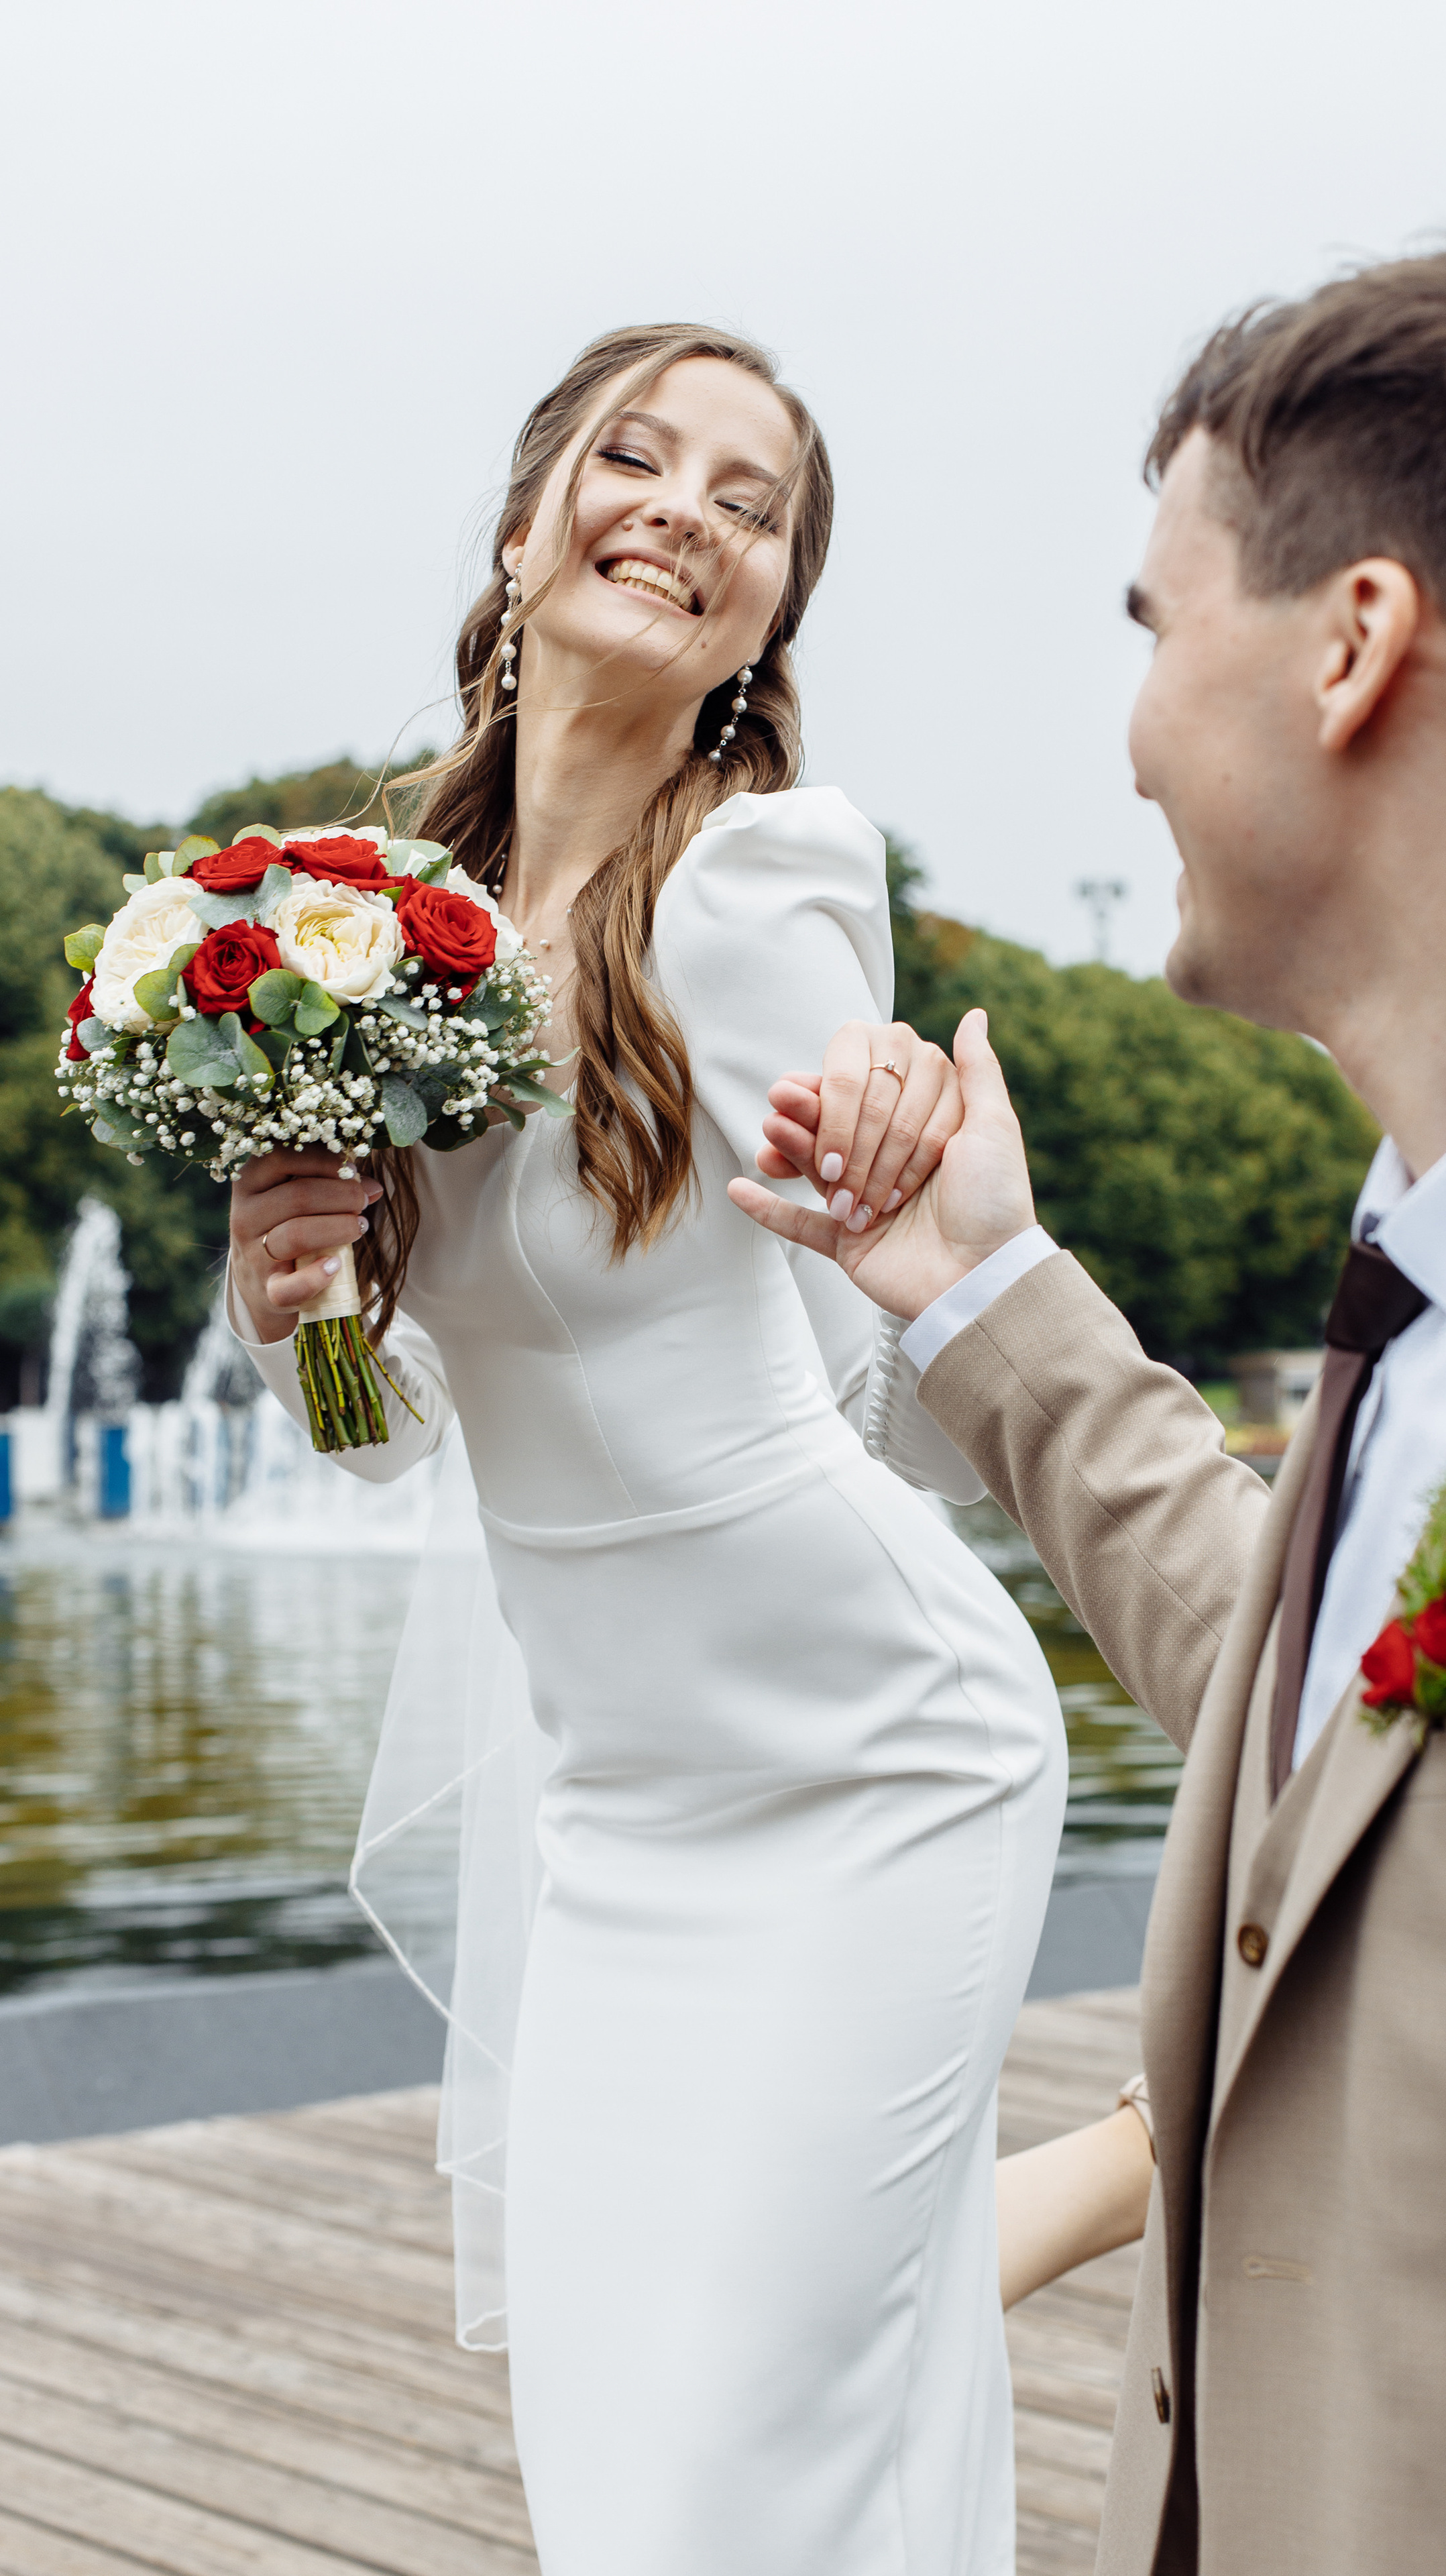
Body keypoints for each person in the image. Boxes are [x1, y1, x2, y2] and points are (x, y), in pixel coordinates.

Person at [734, 237, 1446, 2575]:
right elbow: (1350, 1722)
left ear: (1356, 646)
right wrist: (983, 1293)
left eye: (1153, 632)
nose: (1137, 728)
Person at [223, 323, 1067, 2576]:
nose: (687, 503)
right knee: (616, 2474)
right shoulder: (364, 940)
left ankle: (1109, 2179)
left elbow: (896, 1311)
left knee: (746, 2473)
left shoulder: (768, 871)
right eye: (637, 453)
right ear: (525, 529)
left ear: (765, 617)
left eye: (753, 499)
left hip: (878, 1760)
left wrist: (900, 1164)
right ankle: (1118, 2176)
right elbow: (394, 1438)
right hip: (614, 1817)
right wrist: (300, 1313)